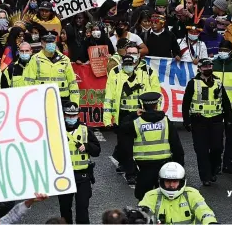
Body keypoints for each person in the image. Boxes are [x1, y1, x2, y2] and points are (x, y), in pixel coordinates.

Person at [103, 44, 160, 179]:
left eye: (135, 53)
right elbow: (109, 96)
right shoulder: (116, 72)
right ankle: (130, 172)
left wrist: (156, 113)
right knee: (126, 144)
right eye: (129, 52)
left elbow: (157, 93)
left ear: (139, 54)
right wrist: (107, 118)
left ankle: (134, 169)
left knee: (140, 144)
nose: (132, 55)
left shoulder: (148, 71)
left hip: (141, 113)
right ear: (124, 54)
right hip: (123, 113)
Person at [123, 92, 184, 200]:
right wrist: (179, 167)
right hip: (165, 165)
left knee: (143, 198)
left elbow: (120, 129)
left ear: (142, 106)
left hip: (144, 167)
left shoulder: (136, 123)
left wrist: (133, 115)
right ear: (156, 105)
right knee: (166, 197)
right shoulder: (165, 121)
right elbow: (177, 146)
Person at [182, 58, 232, 185]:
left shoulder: (218, 82)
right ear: (199, 69)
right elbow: (186, 103)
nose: (208, 69)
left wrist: (229, 119)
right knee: (201, 150)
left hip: (216, 119)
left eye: (210, 66)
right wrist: (187, 121)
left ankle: (214, 168)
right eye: (205, 67)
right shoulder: (193, 83)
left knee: (217, 148)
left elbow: (225, 102)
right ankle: (205, 177)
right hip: (199, 120)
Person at [57, 102, 100, 224]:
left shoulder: (85, 130)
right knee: (65, 210)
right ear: (64, 115)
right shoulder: (57, 130)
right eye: (69, 116)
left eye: (74, 115)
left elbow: (97, 150)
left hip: (83, 176)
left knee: (82, 209)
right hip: (64, 176)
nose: (71, 118)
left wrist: (86, 147)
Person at [138, 163, 217, 224]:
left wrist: (211, 222)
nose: (171, 185)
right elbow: (143, 212)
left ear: (181, 181)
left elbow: (204, 211)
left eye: (175, 181)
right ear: (162, 181)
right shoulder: (151, 196)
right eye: (168, 181)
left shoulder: (192, 194)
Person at [211, 40, 232, 174]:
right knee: (216, 139)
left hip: (231, 108)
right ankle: (216, 164)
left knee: (231, 138)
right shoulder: (211, 64)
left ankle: (227, 164)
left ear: (231, 51)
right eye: (221, 50)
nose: (222, 52)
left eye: (225, 50)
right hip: (215, 108)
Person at [22, 33, 79, 105]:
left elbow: (72, 83)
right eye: (48, 42)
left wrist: (75, 103)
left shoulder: (65, 60)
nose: (51, 44)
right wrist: (31, 102)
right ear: (42, 44)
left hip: (62, 100)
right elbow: (28, 82)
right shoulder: (35, 59)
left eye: (52, 42)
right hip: (41, 99)